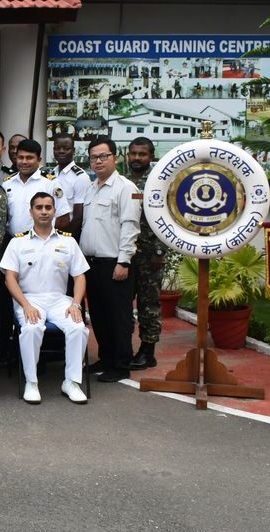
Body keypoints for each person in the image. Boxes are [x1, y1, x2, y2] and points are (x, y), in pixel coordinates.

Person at [1, 192, 90, 404]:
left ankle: (71, 382)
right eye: (39, 207)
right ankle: (31, 383)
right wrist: (25, 305)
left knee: (78, 327)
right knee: (32, 328)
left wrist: (76, 304)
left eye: (48, 207)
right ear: (30, 211)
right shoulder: (18, 242)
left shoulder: (68, 242)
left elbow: (79, 277)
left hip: (60, 299)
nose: (43, 211)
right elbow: (9, 279)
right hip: (29, 299)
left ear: (54, 211)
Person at [81, 136, 141, 383]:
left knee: (119, 316)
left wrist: (124, 261)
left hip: (115, 263)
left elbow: (130, 226)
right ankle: (106, 358)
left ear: (115, 158)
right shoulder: (92, 188)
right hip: (92, 264)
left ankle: (120, 364)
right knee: (99, 315)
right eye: (94, 157)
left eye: (103, 156)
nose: (98, 161)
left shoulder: (125, 188)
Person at [126, 137, 166, 370]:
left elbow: (166, 219)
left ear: (151, 156)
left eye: (142, 154)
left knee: (148, 304)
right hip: (127, 252)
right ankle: (125, 348)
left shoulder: (158, 183)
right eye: (133, 154)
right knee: (123, 303)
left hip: (150, 253)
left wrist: (159, 251)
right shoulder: (122, 181)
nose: (137, 158)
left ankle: (147, 351)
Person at [2, 139, 72, 237]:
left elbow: (63, 217)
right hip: (14, 242)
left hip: (42, 242)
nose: (24, 162)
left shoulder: (50, 183)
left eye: (29, 158)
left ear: (39, 160)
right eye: (20, 157)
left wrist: (48, 238)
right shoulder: (7, 184)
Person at [51, 133, 92, 237]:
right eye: (57, 148)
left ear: (73, 150)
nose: (61, 151)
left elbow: (79, 217)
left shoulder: (80, 177)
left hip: (68, 235)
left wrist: (67, 237)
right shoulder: (51, 173)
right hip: (49, 233)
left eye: (66, 148)